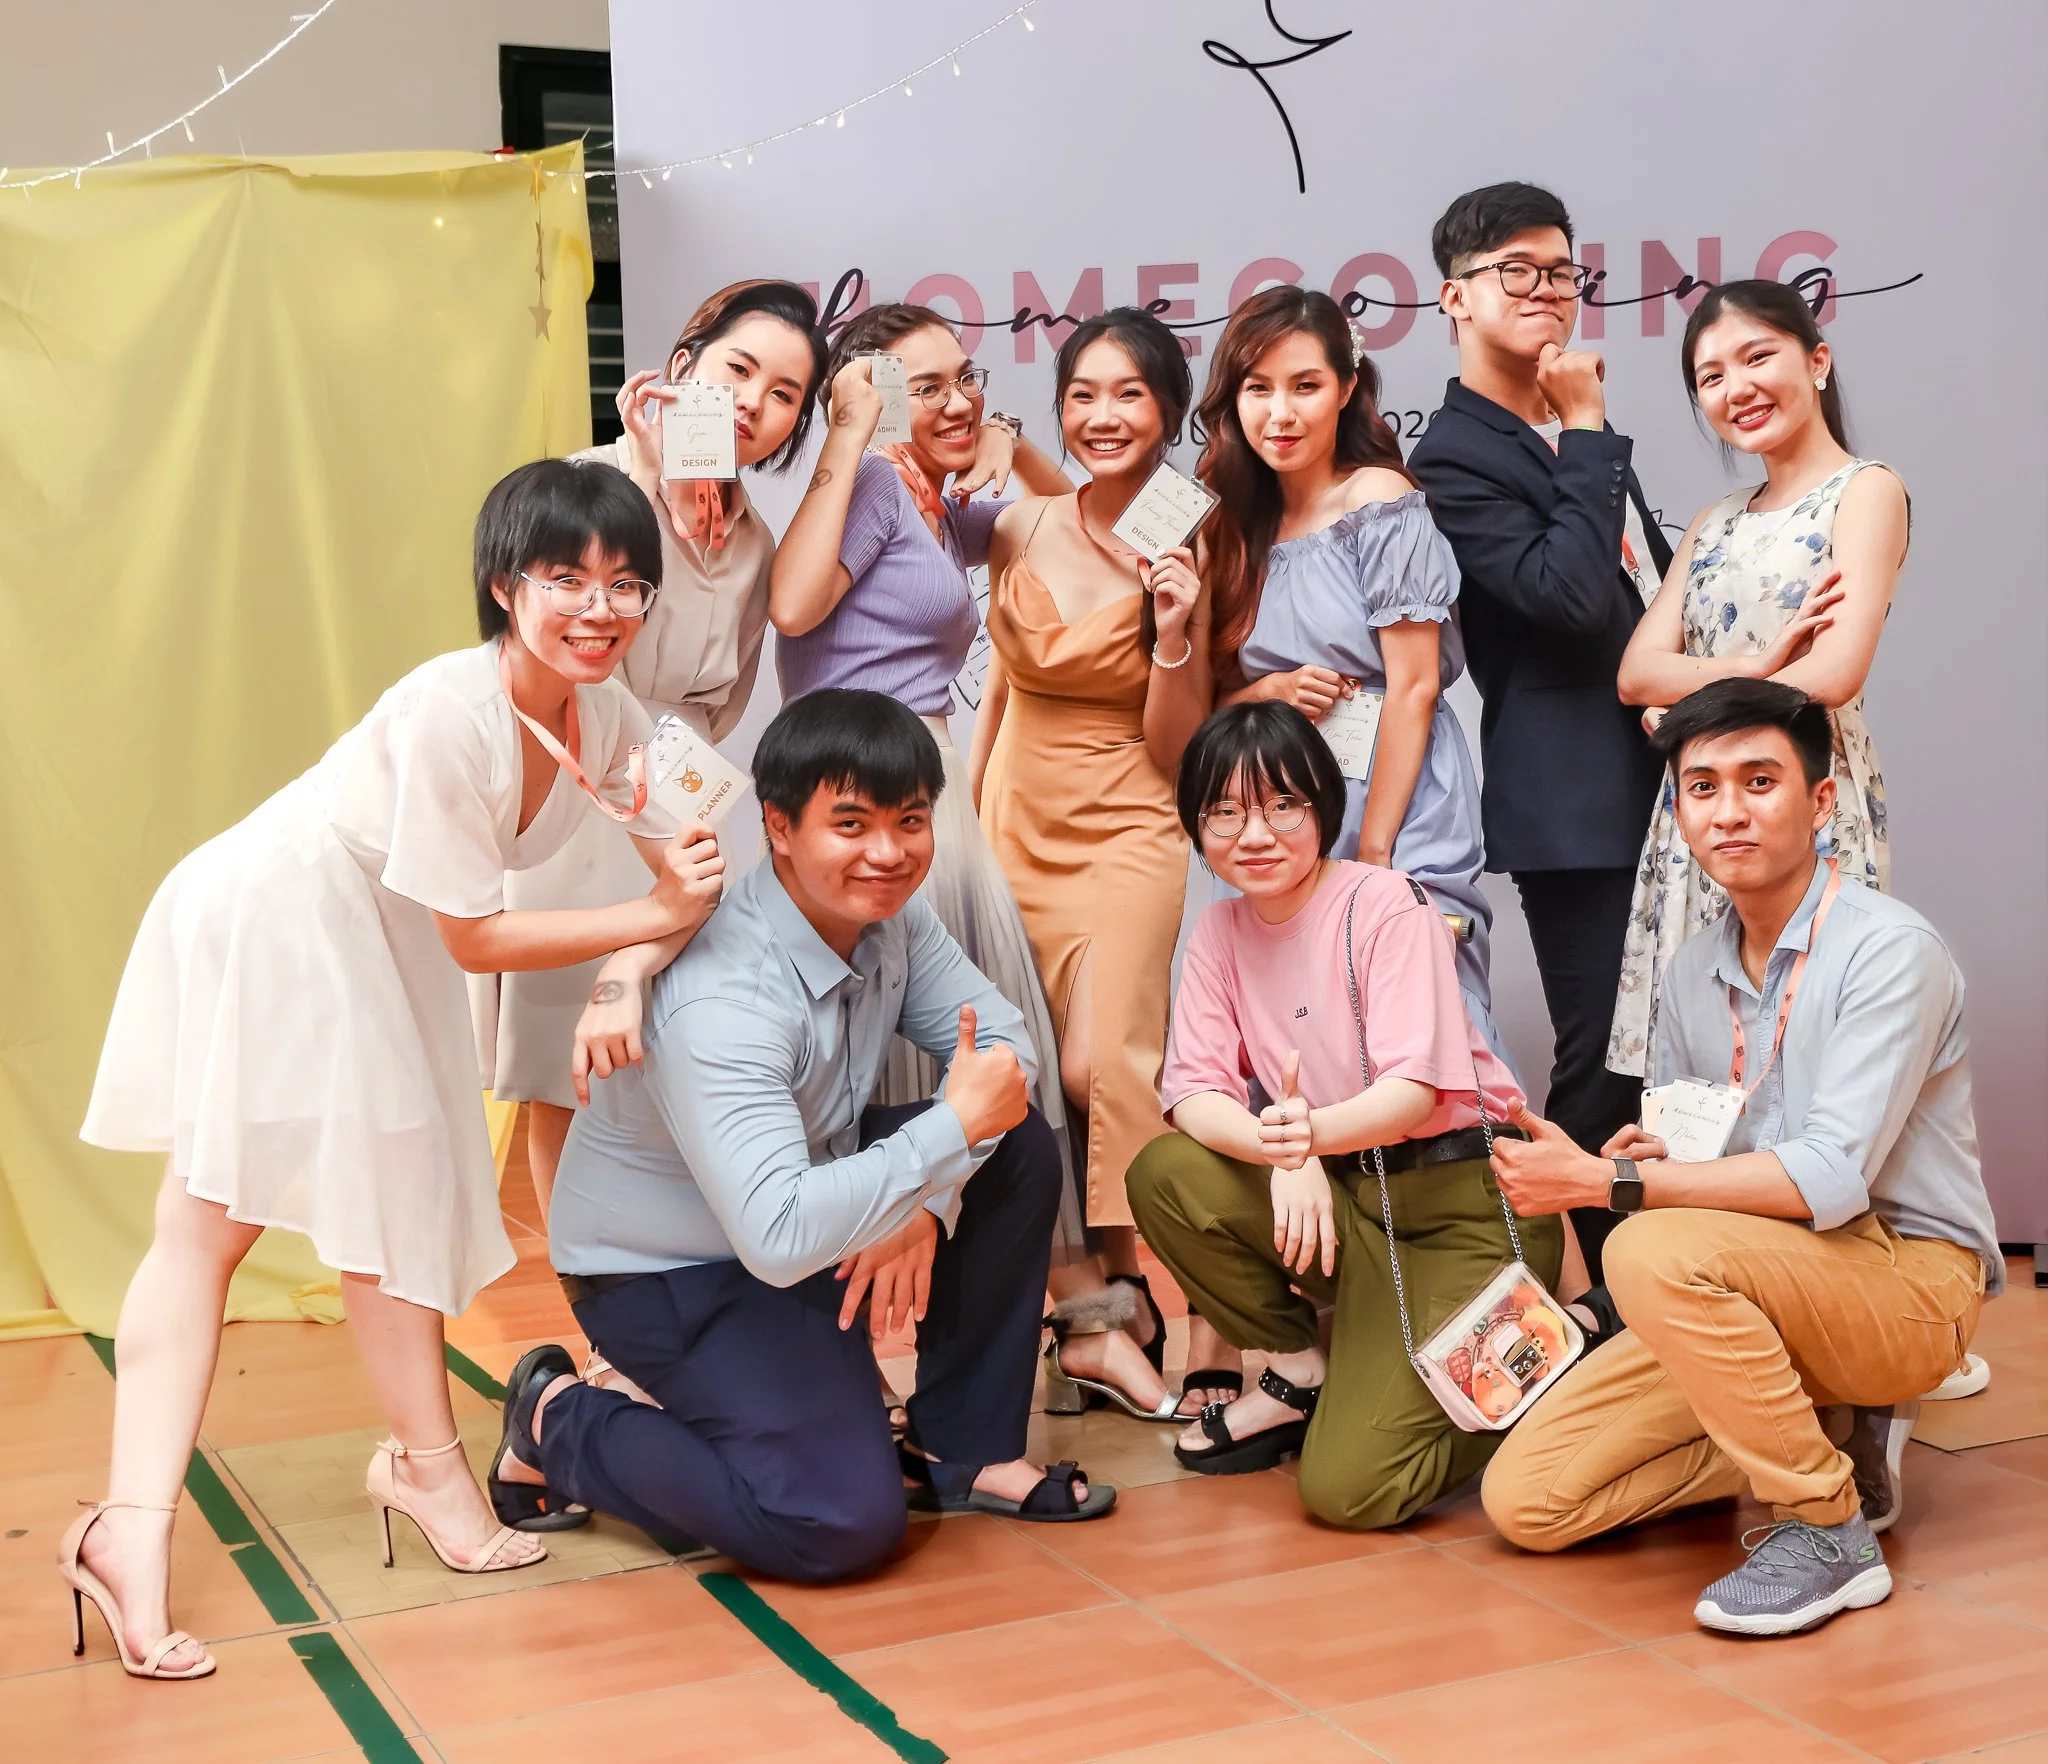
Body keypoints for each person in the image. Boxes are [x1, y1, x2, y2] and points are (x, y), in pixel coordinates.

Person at [63, 461, 724, 1677]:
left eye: (626, 583)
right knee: (210, 1217)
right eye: (566, 578)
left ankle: (416, 1473)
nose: (600, 608)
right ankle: (134, 1528)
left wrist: (636, 959)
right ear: (502, 586)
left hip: (380, 939)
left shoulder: (619, 719)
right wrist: (646, 917)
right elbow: (476, 935)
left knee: (392, 1196)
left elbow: (707, 853)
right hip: (286, 912)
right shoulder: (447, 712)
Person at [492, 691, 1116, 1580]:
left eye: (910, 821)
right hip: (669, 1275)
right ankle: (555, 1419)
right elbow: (779, 1238)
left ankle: (964, 1449)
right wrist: (932, 1153)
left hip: (796, 1211)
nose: (888, 852)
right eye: (851, 824)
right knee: (833, 1522)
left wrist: (925, 1204)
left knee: (1014, 1148)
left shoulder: (889, 917)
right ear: (778, 828)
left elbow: (1007, 1054)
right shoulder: (726, 1000)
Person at [1483, 680, 2001, 1637]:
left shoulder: (1891, 952)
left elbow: (1830, 1178)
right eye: (1702, 787)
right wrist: (1649, 1152)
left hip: (1908, 1279)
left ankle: (1826, 1526)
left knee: (1641, 1246)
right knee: (1529, 1500)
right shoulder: (1692, 970)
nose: (1728, 811)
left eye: (1759, 781)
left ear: (1821, 799)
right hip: (1765, 1273)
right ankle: (1823, 1429)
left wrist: (1611, 1182)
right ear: (1679, 814)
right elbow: (1702, 1154)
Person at [1126, 702, 1562, 1528]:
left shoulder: (1389, 902)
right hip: (1351, 1205)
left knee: (1349, 1492)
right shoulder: (1219, 932)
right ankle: (1302, 1369)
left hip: (1463, 1206)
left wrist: (1305, 1139)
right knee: (1165, 1174)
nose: (1254, 834)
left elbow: (1414, 1092)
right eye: (1224, 812)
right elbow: (1192, 1094)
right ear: (1196, 825)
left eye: (1281, 805)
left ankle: (1552, 1361)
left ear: (1323, 804)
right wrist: (1284, 1150)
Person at [482, 279, 829, 1222]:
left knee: (677, 1050)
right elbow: (550, 641)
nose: (753, 403)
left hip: (677, 799)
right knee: (566, 1075)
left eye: (784, 394)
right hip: (572, 786)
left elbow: (727, 702)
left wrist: (682, 792)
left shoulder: (756, 543)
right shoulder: (588, 482)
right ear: (682, 369)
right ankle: (585, 1293)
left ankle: (655, 1276)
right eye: (738, 370)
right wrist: (648, 465)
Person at [769, 303, 1082, 1260]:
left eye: (966, 379)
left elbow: (1067, 518)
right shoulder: (874, 484)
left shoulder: (934, 500)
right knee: (913, 1048)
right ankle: (902, 1287)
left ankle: (985, 1283)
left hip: (922, 779)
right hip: (872, 787)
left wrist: (1010, 446)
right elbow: (793, 607)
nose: (958, 402)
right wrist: (853, 433)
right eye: (927, 387)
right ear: (877, 399)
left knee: (962, 1039)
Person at [1407, 181, 1669, 1280]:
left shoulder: (1564, 431)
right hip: (1573, 800)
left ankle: (1677, 1282)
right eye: (1513, 270)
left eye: (1560, 271)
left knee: (1676, 1053)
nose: (1544, 291)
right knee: (1605, 1061)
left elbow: (1636, 592)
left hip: (1667, 782)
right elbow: (1564, 600)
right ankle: (1610, 1295)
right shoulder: (1451, 457)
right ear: (1452, 299)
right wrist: (1589, 432)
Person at [969, 308, 1210, 1422]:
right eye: (1082, 394)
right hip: (1014, 816)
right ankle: (1107, 1309)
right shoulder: (1019, 526)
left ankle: (1183, 1290)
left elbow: (1175, 742)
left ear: (1169, 410)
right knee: (1024, 1072)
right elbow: (1001, 692)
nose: (1102, 415)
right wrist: (969, 821)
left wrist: (1172, 632)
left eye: (1129, 394)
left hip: (1128, 817)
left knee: (1102, 1068)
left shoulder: (1195, 535)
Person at [1608, 280, 1908, 1078]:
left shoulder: (1865, 491)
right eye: (1711, 376)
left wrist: (1693, 711)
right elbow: (1637, 673)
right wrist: (1753, 668)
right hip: (1704, 805)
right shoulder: (1715, 519)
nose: (1735, 388)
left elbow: (1836, 670)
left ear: (1817, 361)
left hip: (1798, 792)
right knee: (1703, 1067)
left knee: (1808, 1052)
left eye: (1757, 357)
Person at [1202, 285, 1501, 1050]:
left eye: (1305, 385)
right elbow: (1206, 703)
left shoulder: (1379, 499)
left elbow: (1416, 685)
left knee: (1426, 1022)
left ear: (1345, 387)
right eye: (1259, 388)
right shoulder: (1235, 528)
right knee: (1312, 1039)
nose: (1281, 412)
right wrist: (1265, 691)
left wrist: (1374, 853)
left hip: (1398, 799)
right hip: (1287, 803)